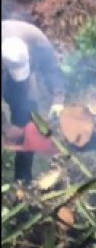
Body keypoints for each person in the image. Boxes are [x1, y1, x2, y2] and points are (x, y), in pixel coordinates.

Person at [2, 20, 65, 182]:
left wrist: (58, 99)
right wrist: (5, 125)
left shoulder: (37, 40)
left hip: (25, 75)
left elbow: (51, 69)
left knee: (28, 113)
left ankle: (22, 181)